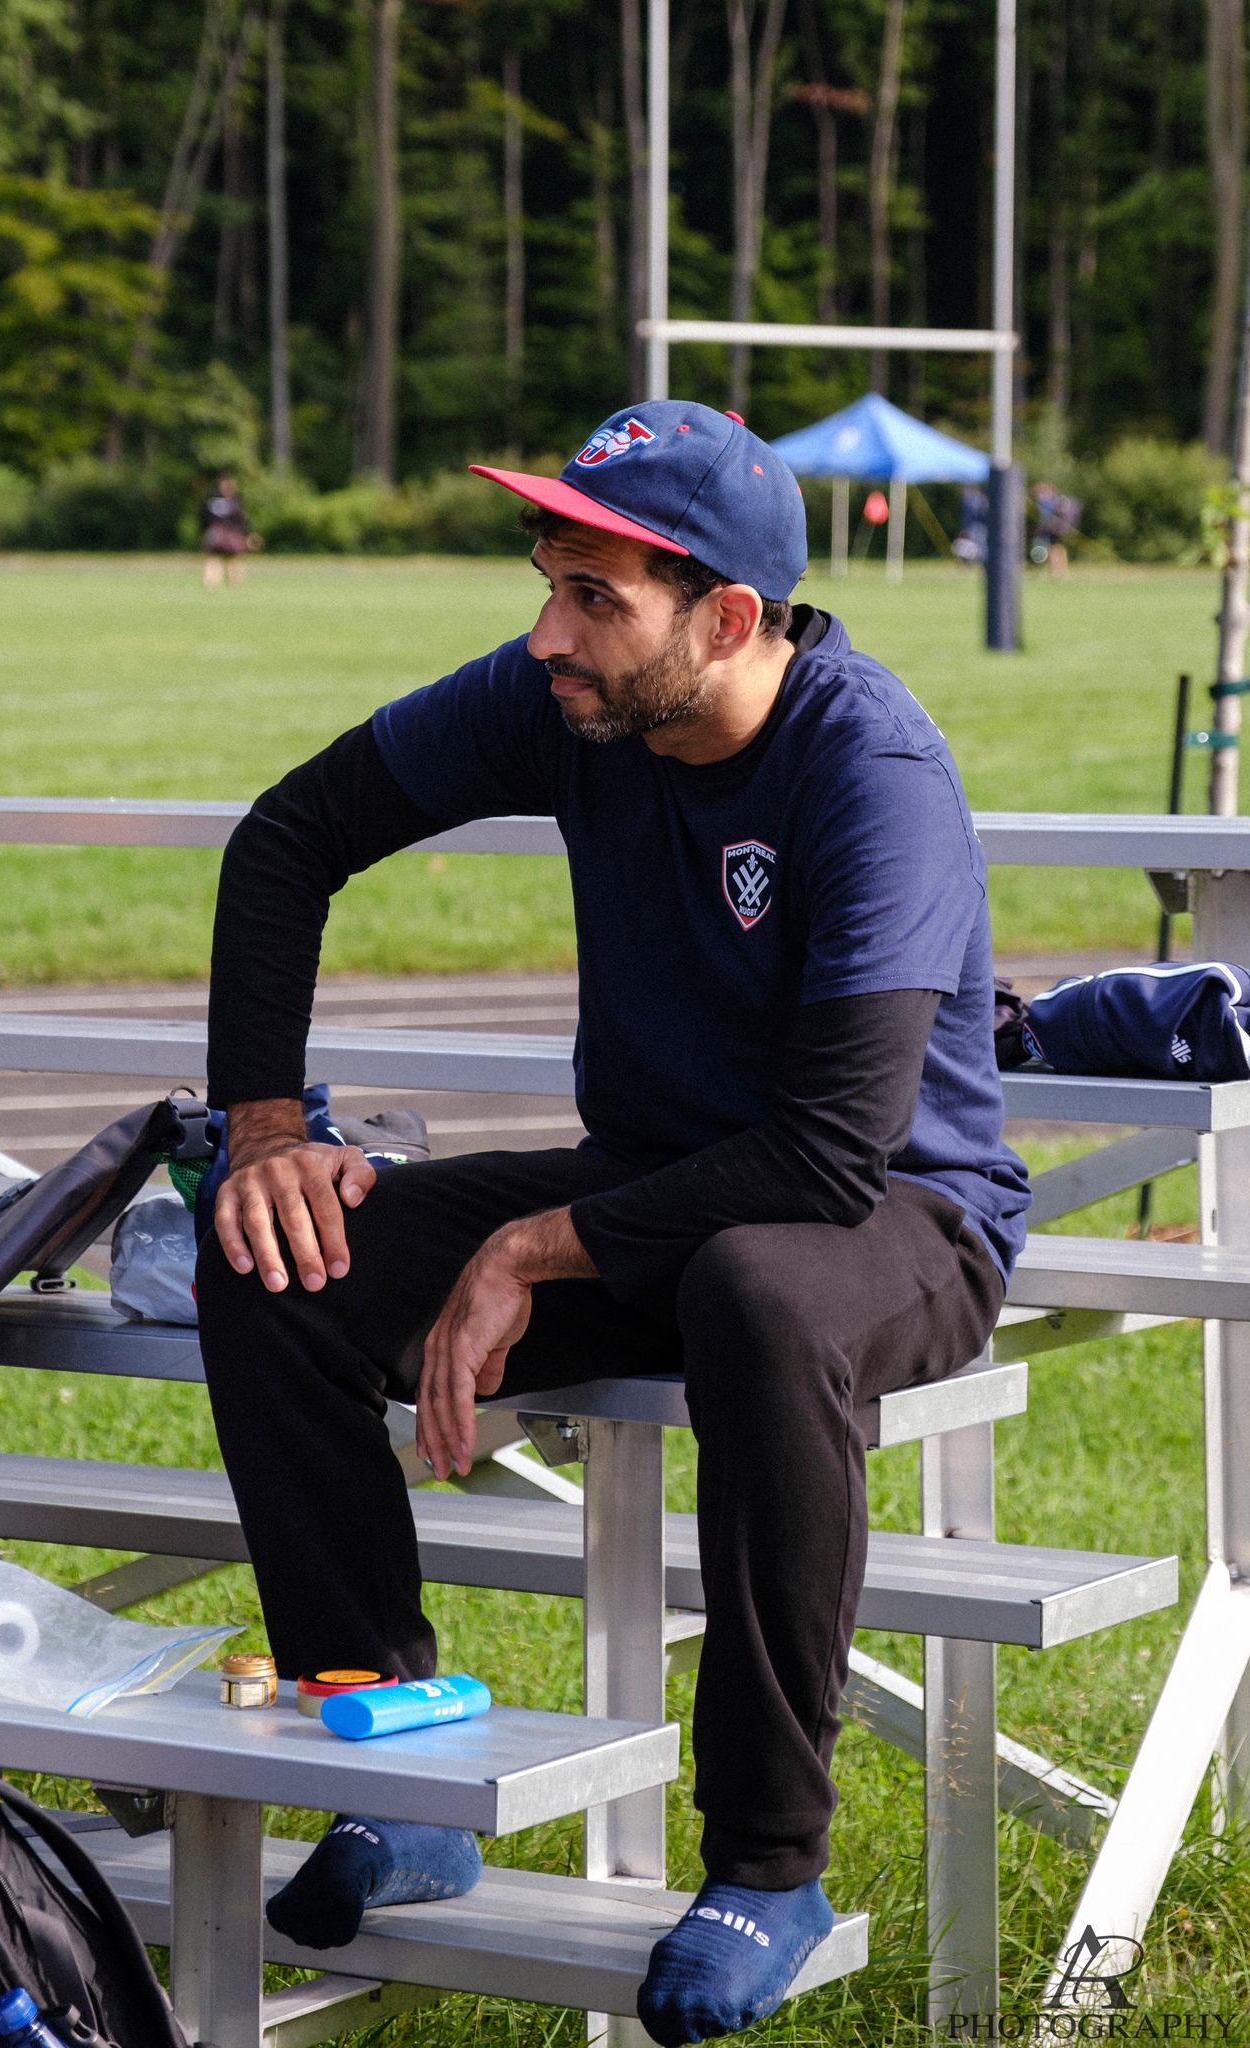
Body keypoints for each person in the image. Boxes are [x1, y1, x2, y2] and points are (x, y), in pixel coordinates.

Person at [195, 399, 1031, 2046]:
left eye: (592, 598)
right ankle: (398, 1769)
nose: (543, 633)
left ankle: (767, 1863)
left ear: (728, 617)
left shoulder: (872, 766)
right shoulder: (562, 706)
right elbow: (288, 838)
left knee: (757, 1288)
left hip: (894, 1215)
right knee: (277, 1264)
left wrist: (524, 1248)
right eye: (545, 582)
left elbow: (822, 1156)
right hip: (659, 1188)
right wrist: (267, 1129)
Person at [202, 472, 250, 587]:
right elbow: (241, 519)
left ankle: (231, 585)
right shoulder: (233, 501)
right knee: (216, 559)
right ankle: (212, 584)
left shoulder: (211, 500)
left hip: (223, 533)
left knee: (231, 559)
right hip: (225, 533)